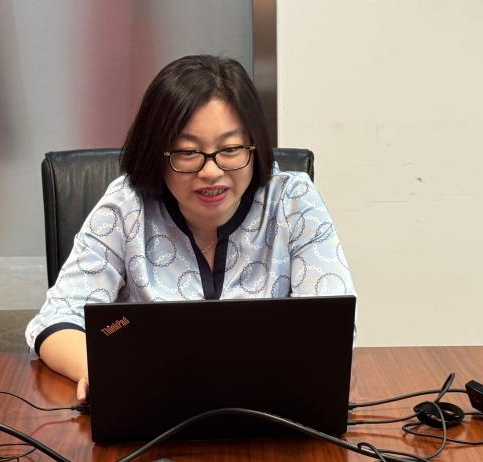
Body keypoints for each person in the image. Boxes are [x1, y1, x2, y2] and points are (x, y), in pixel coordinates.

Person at [25, 55, 355, 401]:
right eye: (187, 152)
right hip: (150, 410)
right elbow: (56, 319)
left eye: (230, 149)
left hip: (271, 410)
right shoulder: (126, 207)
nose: (211, 171)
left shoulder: (292, 201)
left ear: (254, 145)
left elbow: (331, 330)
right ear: (156, 153)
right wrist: (98, 370)